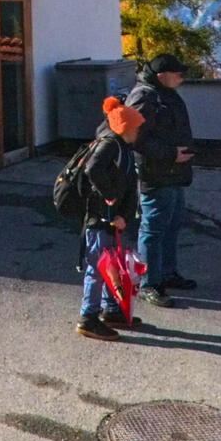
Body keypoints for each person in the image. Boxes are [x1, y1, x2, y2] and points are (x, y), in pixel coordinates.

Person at [126, 53, 197, 308]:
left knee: (172, 224)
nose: (181, 77)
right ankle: (149, 283)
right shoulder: (145, 96)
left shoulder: (165, 93)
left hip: (173, 173)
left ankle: (167, 273)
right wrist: (170, 154)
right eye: (176, 73)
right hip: (156, 175)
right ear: (160, 76)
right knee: (153, 229)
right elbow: (136, 139)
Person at [76, 96, 146, 341]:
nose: (139, 129)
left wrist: (124, 213)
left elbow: (127, 186)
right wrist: (110, 198)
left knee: (111, 264)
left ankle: (111, 310)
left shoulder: (124, 148)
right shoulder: (111, 146)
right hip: (100, 218)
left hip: (113, 218)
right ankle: (88, 318)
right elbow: (92, 169)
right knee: (97, 267)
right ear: (126, 127)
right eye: (136, 126)